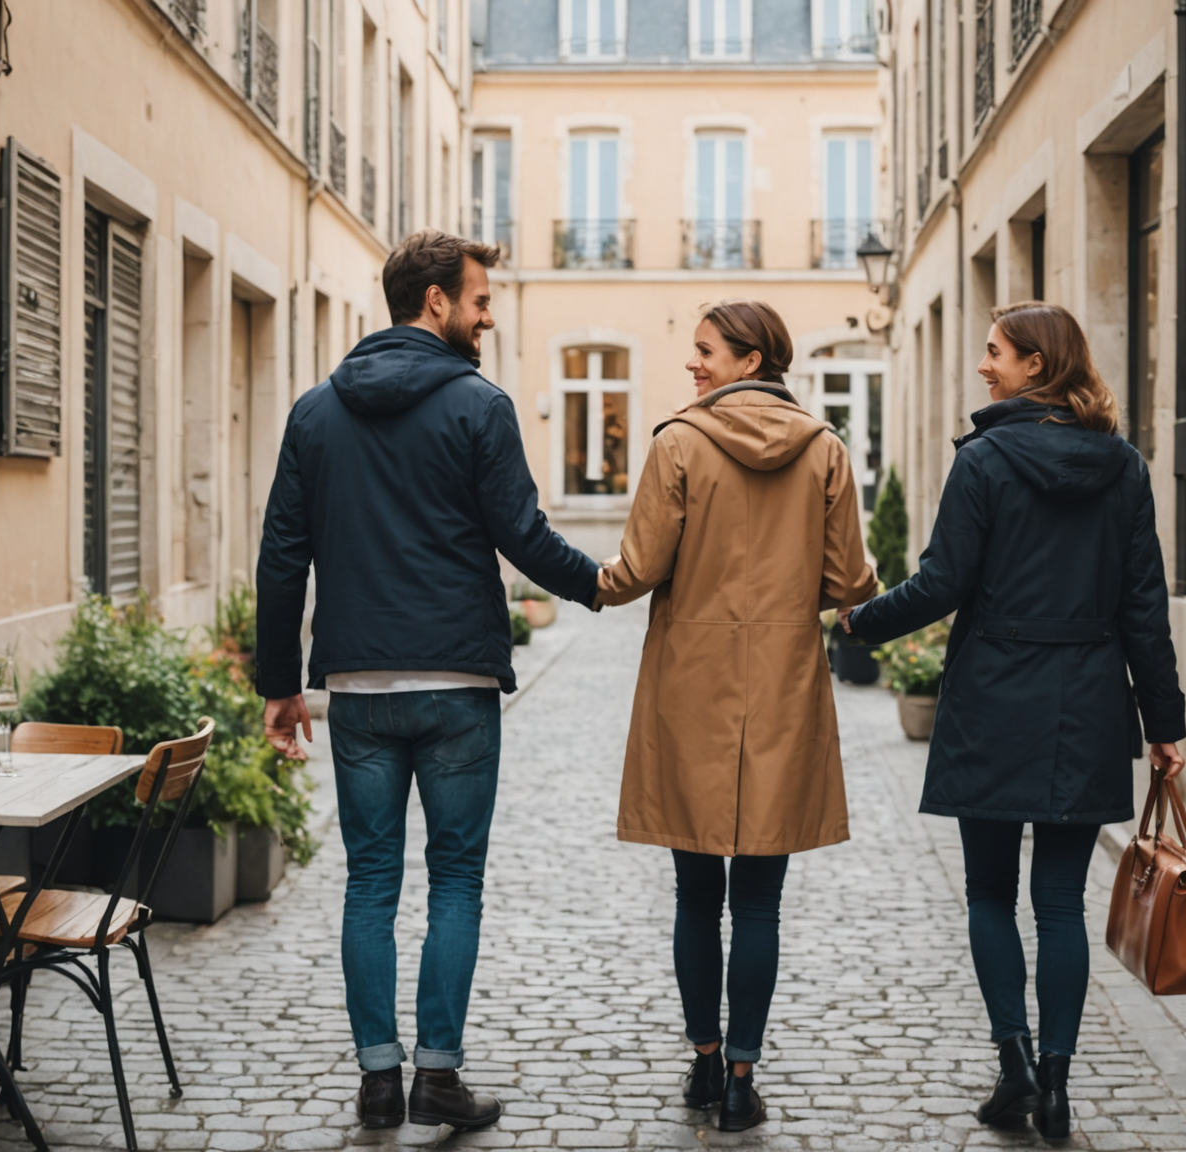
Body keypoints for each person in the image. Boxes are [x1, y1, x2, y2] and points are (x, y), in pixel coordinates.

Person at [253, 230, 600, 1134]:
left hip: (359, 687)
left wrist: (279, 684)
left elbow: (282, 555)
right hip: (456, 684)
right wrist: (602, 584)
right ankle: (437, 1076)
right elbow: (524, 534)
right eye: (480, 301)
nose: (489, 317)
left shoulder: (315, 413)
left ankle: (378, 1080)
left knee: (369, 881)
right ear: (436, 301)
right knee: (454, 881)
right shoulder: (479, 406)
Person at [841, 301, 1185, 1141]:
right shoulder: (1125, 466)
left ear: (1038, 364)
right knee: (1061, 900)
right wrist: (1163, 723)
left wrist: (858, 621)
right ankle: (1057, 1087)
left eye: (995, 352)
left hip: (995, 697)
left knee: (991, 891)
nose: (983, 365)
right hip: (1088, 699)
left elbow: (941, 583)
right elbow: (1144, 607)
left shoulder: (984, 459)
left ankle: (1017, 1065)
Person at [593, 299, 877, 1132]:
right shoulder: (825, 450)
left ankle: (705, 1062)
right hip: (784, 684)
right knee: (759, 902)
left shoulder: (678, 444)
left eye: (706, 351)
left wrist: (566, 572)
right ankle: (744, 1080)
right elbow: (850, 582)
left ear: (751, 361)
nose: (694, 363)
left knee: (695, 894)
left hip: (690, 685)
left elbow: (636, 570)